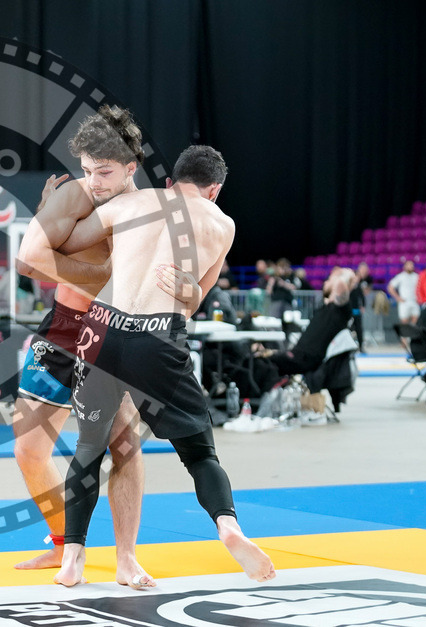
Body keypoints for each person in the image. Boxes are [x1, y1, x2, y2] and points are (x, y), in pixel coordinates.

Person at [43, 144, 275, 587]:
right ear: (214, 191)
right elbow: (194, 300)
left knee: (88, 449)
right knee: (200, 454)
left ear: (169, 182)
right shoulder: (221, 224)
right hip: (157, 335)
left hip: (101, 330)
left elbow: (66, 242)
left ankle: (73, 556)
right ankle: (228, 526)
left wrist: (57, 209)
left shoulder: (132, 201)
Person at [14, 105, 199, 585]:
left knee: (123, 445)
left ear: (131, 169)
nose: (93, 181)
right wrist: (103, 274)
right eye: (87, 169)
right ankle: (62, 544)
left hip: (116, 330)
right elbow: (29, 259)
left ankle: (126, 557)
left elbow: (183, 283)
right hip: (62, 328)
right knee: (29, 448)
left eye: (104, 172)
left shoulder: (151, 208)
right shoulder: (78, 194)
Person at [388, 260, 421, 325]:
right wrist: (397, 298)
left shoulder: (417, 276)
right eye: (409, 265)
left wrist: (419, 298)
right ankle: (404, 335)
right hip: (404, 302)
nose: (411, 266)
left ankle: (412, 334)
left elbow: (421, 288)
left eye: (412, 265)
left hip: (414, 301)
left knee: (416, 320)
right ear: (405, 266)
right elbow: (390, 287)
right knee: (404, 322)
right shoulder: (401, 276)